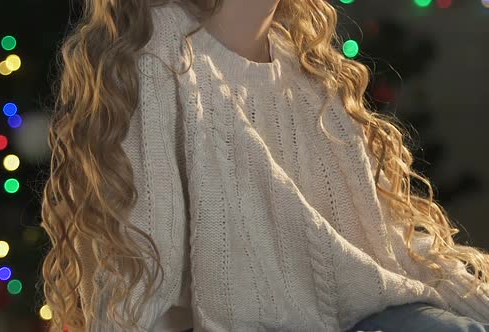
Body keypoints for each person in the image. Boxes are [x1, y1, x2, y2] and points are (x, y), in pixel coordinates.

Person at [39, 0, 489, 331]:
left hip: (377, 311)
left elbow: (387, 245)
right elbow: (137, 289)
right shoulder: (160, 59)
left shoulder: (309, 69)